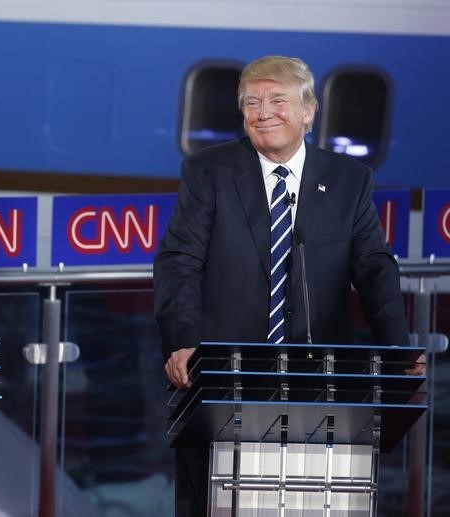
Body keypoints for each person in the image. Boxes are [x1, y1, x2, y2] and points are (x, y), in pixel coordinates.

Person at [153, 55, 421, 516]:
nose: (263, 113)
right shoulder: (209, 172)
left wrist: (396, 350)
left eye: (278, 100)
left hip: (322, 383)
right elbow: (179, 261)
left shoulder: (348, 180)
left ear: (308, 111)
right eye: (252, 103)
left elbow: (374, 267)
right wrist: (182, 342)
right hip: (225, 380)